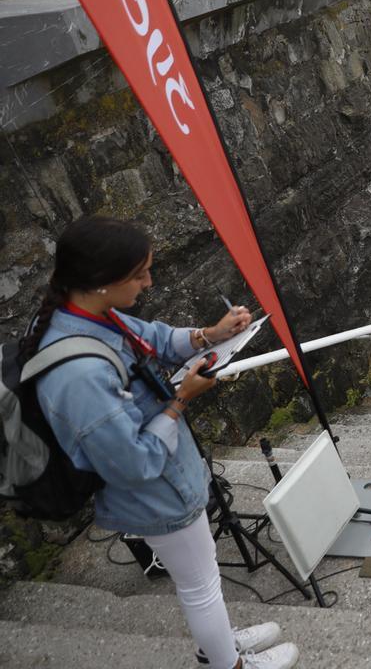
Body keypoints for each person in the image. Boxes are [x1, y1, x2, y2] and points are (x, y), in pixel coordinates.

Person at [20, 216, 300, 669]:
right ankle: (228, 663)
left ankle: (220, 644)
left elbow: (149, 337)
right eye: (139, 275)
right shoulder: (79, 375)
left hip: (167, 474)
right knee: (200, 584)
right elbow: (132, 463)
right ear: (102, 280)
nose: (148, 283)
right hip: (154, 491)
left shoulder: (85, 311)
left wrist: (210, 335)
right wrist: (181, 399)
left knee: (203, 571)